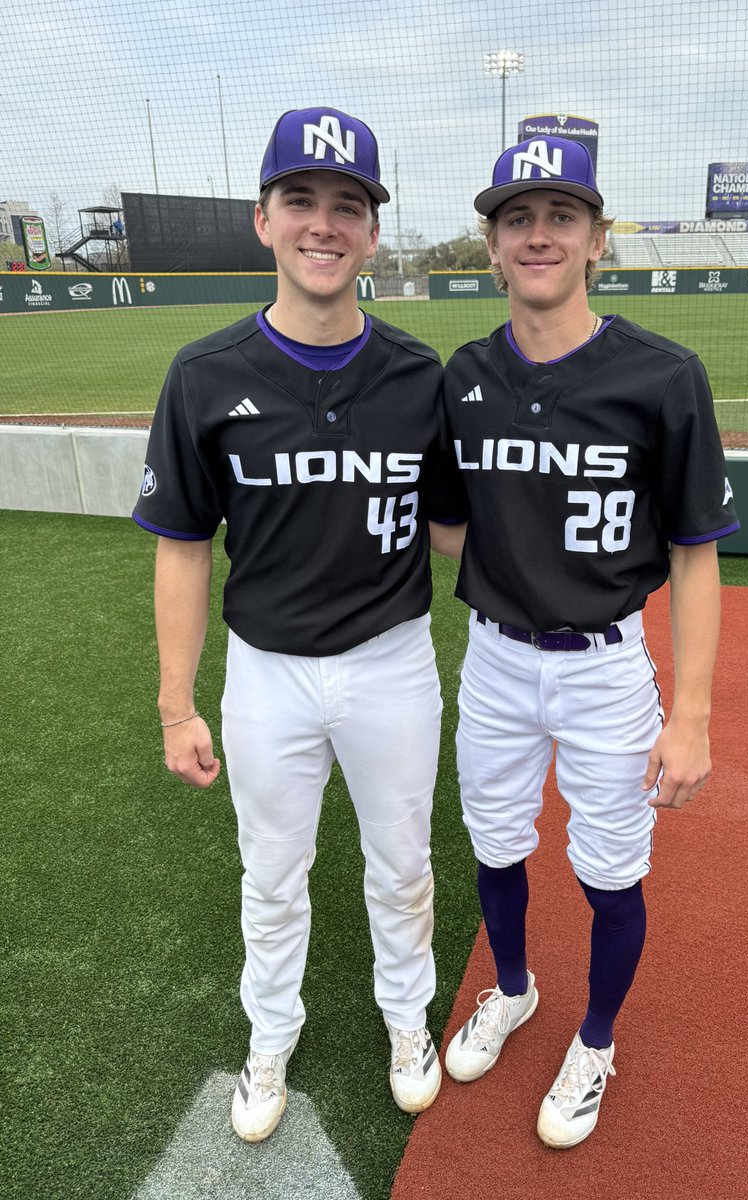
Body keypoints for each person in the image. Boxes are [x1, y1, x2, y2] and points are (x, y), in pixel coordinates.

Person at [133, 106, 457, 1143]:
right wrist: (176, 701)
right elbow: (182, 543)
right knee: (271, 874)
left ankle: (408, 1020)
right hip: (267, 671)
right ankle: (271, 1033)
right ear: (264, 218)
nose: (326, 224)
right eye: (303, 201)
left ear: (371, 231)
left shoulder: (419, 376)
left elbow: (456, 530)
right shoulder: (205, 373)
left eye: (348, 206)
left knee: (402, 863)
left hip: (392, 662)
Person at [439, 135, 740, 1149]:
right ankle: (515, 990)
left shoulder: (663, 374)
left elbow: (696, 556)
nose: (538, 233)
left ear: (597, 239)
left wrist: (690, 716)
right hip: (493, 658)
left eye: (560, 215)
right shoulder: (466, 374)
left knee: (611, 869)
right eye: (517, 216)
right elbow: (448, 522)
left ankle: (596, 1040)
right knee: (496, 844)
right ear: (490, 243)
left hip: (608, 666)